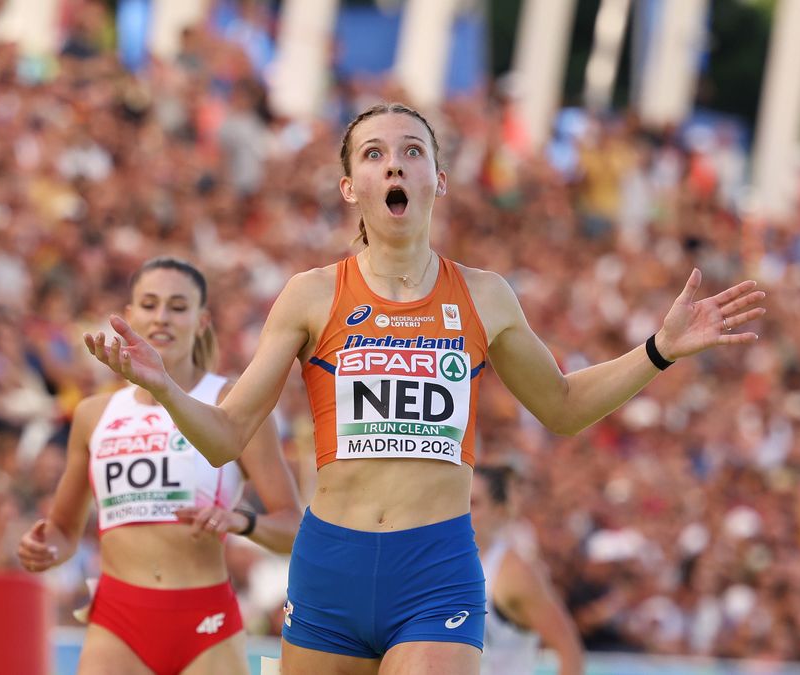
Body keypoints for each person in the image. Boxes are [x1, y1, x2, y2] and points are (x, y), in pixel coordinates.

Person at [84, 102, 765, 675]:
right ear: (351, 184)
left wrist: (658, 350)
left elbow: (561, 407)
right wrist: (168, 389)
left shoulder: (485, 296)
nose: (395, 164)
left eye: (412, 152)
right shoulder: (310, 295)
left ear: (437, 178)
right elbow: (227, 433)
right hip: (331, 565)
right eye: (375, 154)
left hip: (434, 565)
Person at [19, 257, 302, 675]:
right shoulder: (94, 414)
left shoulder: (230, 404)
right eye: (149, 305)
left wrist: (238, 521)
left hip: (205, 621)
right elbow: (63, 530)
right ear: (130, 315)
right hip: (117, 622)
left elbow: (293, 526)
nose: (162, 317)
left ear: (202, 321)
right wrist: (45, 549)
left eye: (178, 306)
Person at [471, 465, 584, 675]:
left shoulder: (513, 573)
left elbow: (569, 649)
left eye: (473, 503)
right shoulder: (435, 564)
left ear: (499, 510)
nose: (462, 511)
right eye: (458, 501)